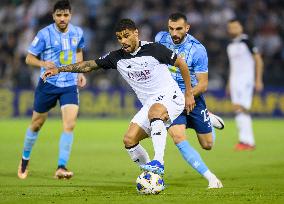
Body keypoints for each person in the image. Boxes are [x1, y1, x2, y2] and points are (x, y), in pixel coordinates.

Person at [43, 18, 195, 175]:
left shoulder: (155, 49)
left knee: (155, 113)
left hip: (172, 97)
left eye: (126, 35)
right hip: (150, 104)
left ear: (136, 33)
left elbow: (181, 64)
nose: (123, 41)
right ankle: (152, 176)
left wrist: (189, 93)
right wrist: (59, 70)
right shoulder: (116, 57)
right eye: (119, 38)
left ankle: (159, 162)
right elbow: (88, 65)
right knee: (129, 140)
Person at [17, 0, 86, 180]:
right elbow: (29, 58)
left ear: (70, 15)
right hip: (48, 84)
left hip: (69, 84)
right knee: (36, 124)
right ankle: (25, 159)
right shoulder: (44, 34)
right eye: (59, 15)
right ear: (53, 16)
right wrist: (42, 63)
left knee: (69, 125)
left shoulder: (78, 32)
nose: (62, 19)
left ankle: (61, 167)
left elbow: (79, 50)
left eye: (65, 15)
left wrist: (79, 72)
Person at [154, 13, 224, 189]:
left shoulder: (197, 49)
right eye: (171, 28)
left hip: (193, 97)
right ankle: (211, 178)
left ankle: (207, 116)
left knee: (207, 145)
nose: (174, 33)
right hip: (170, 99)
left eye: (178, 29)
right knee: (178, 137)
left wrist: (188, 95)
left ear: (187, 28)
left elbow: (204, 84)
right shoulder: (160, 39)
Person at [226, 19, 264, 150]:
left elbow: (258, 60)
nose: (233, 30)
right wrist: (229, 83)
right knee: (238, 109)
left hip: (246, 80)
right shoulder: (230, 45)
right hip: (235, 81)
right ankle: (244, 141)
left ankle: (248, 141)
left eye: (236, 27)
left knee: (243, 109)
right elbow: (232, 66)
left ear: (241, 27)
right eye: (231, 27)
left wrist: (258, 79)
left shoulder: (247, 42)